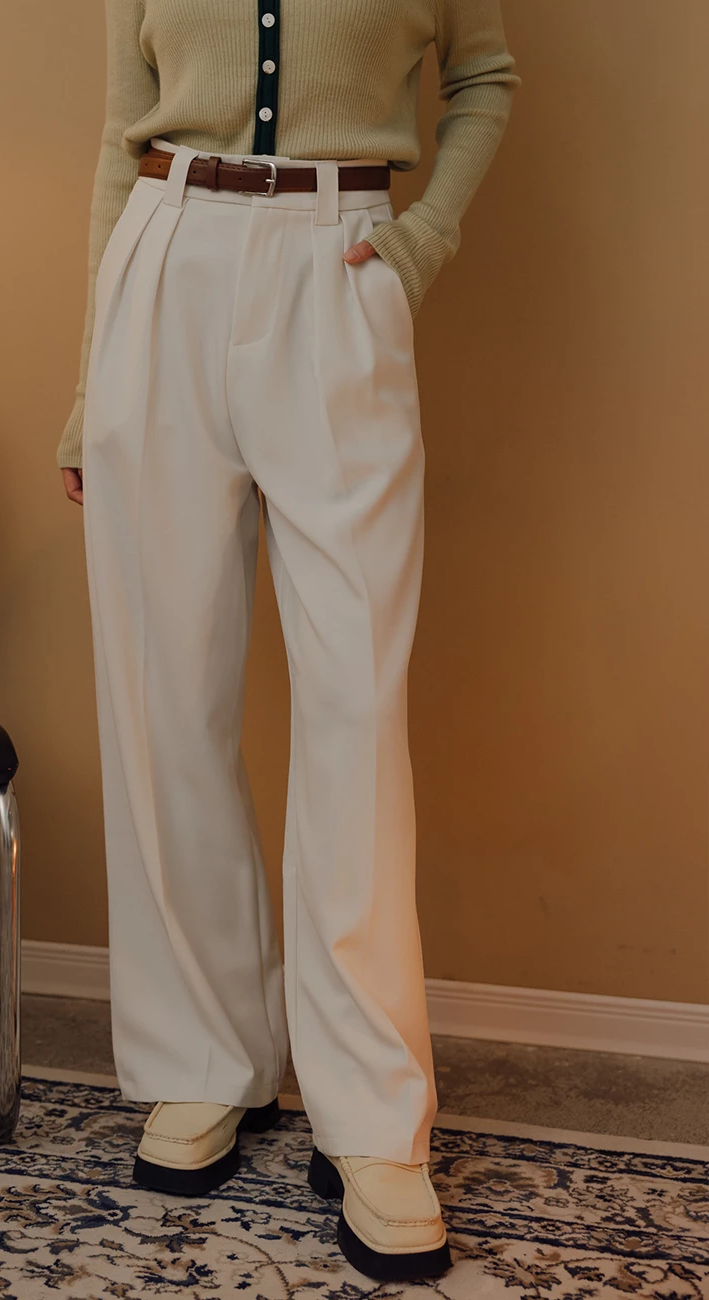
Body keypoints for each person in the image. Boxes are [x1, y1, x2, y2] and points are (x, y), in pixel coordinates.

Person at [56, 0, 519, 1283]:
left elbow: (485, 77)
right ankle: (204, 1058)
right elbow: (117, 140)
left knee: (356, 702)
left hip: (340, 264)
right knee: (163, 692)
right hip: (163, 264)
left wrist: (419, 241)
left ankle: (370, 1112)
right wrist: (92, 387)